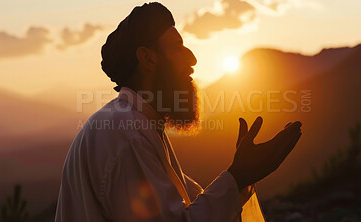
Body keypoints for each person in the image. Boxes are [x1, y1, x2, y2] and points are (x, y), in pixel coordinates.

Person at [55, 2, 302, 222]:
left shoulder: (139, 124)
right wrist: (238, 175)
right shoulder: (126, 133)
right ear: (148, 59)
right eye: (177, 47)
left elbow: (191, 204)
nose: (192, 58)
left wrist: (242, 175)